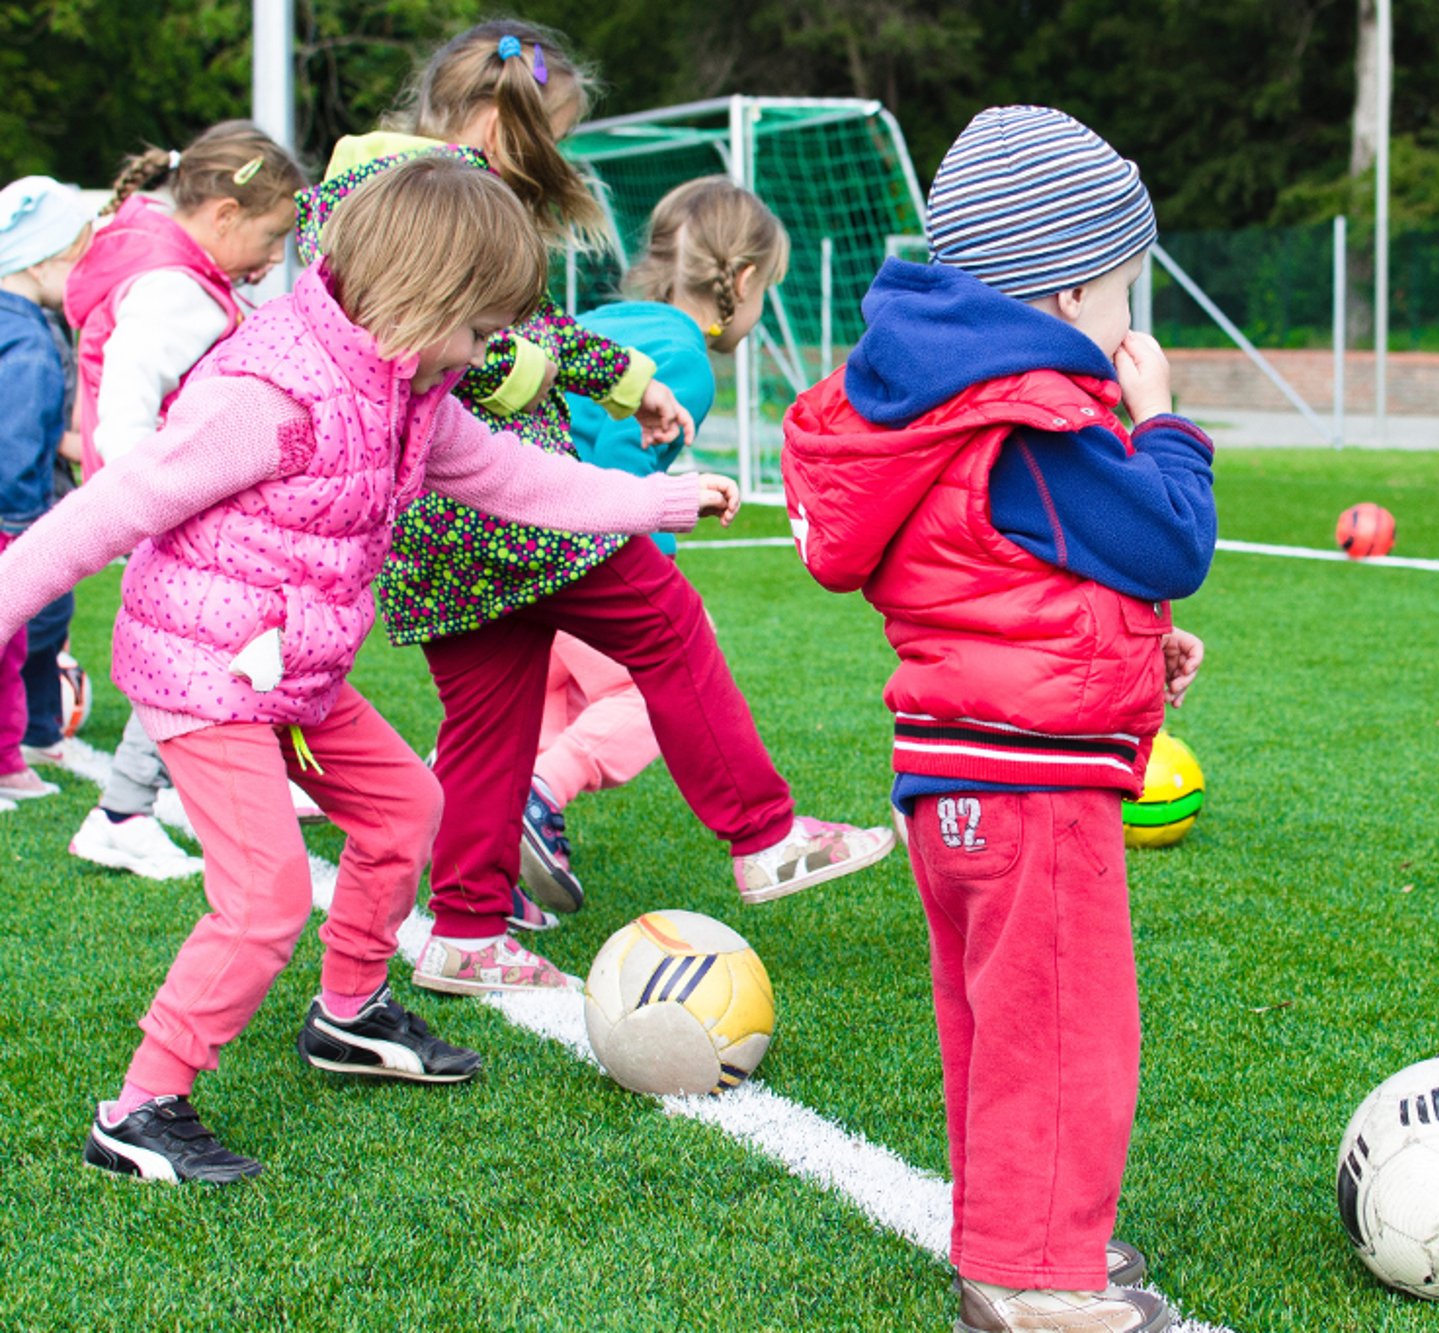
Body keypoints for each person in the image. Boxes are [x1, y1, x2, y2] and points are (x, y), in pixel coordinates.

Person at [0, 155, 741, 1186]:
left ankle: (347, 1015)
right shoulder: (267, 394)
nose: (493, 354)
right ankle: (138, 1108)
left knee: (406, 809)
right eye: (484, 331)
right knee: (263, 897)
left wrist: (656, 502)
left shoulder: (409, 386)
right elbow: (106, 511)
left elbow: (510, 477)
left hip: (293, 674)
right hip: (204, 673)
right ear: (426, 297)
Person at [295, 20, 892, 989]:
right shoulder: (430, 196)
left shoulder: (365, 184)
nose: (552, 162)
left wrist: (628, 383)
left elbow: (525, 325)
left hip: (430, 528)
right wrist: (558, 391)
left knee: (490, 719)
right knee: (667, 625)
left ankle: (466, 932)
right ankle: (764, 834)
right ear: (497, 123)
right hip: (505, 503)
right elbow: (469, 347)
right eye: (550, 139)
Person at [782, 106, 1217, 1333]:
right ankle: (1031, 1278)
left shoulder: (938, 406)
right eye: (1125, 288)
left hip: (955, 773)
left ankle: (1010, 1235)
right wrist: (1164, 422)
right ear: (1071, 286)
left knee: (996, 1024)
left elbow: (1002, 574)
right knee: (1067, 1030)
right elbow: (1170, 535)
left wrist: (1135, 647)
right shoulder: (1031, 417)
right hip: (1030, 784)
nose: (1131, 320)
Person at [523, 175, 788, 917]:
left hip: (506, 549)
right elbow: (614, 479)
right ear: (739, 280)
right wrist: (658, 558)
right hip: (564, 551)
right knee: (650, 683)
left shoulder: (607, 319)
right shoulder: (683, 360)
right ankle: (540, 793)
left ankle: (477, 824)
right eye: (766, 288)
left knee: (537, 701)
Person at [62, 121, 309, 880]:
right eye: (271, 239)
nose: (274, 264)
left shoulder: (177, 267)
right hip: (171, 509)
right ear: (224, 216)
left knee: (220, 645)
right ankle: (124, 812)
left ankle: (158, 799)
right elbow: (128, 411)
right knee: (198, 653)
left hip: (173, 504)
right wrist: (156, 502)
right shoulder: (175, 292)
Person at [0, 176, 94, 812]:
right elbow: (15, 443)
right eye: (78, 256)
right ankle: (8, 764)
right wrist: (26, 524)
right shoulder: (29, 338)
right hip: (12, 518)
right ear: (42, 260)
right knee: (9, 642)